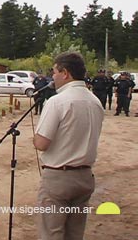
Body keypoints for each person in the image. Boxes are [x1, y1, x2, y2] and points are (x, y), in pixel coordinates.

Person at [33, 52, 104, 240]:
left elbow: (41, 143)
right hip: (85, 176)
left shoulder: (57, 101)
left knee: (51, 233)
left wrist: (35, 137)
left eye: (54, 71)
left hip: (59, 177)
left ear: (65, 73)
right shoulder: (95, 101)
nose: (52, 76)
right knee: (75, 233)